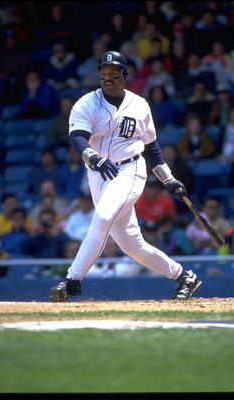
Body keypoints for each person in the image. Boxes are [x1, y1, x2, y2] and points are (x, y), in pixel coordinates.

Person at [49, 50, 202, 302]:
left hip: (129, 169)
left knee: (102, 217)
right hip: (98, 173)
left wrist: (168, 179)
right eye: (103, 73)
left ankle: (71, 280)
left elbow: (151, 148)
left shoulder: (140, 105)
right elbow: (77, 137)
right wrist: (93, 157)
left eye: (113, 73)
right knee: (132, 246)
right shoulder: (86, 103)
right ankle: (184, 276)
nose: (107, 78)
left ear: (124, 75)